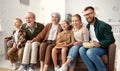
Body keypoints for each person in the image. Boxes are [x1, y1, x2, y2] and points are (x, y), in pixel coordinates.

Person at [79, 6, 115, 71]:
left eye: (89, 14)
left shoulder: (102, 25)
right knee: (81, 49)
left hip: (102, 47)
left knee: (90, 52)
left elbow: (111, 39)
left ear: (94, 14)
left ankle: (103, 70)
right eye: (85, 15)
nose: (87, 16)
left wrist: (100, 43)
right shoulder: (88, 26)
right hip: (92, 46)